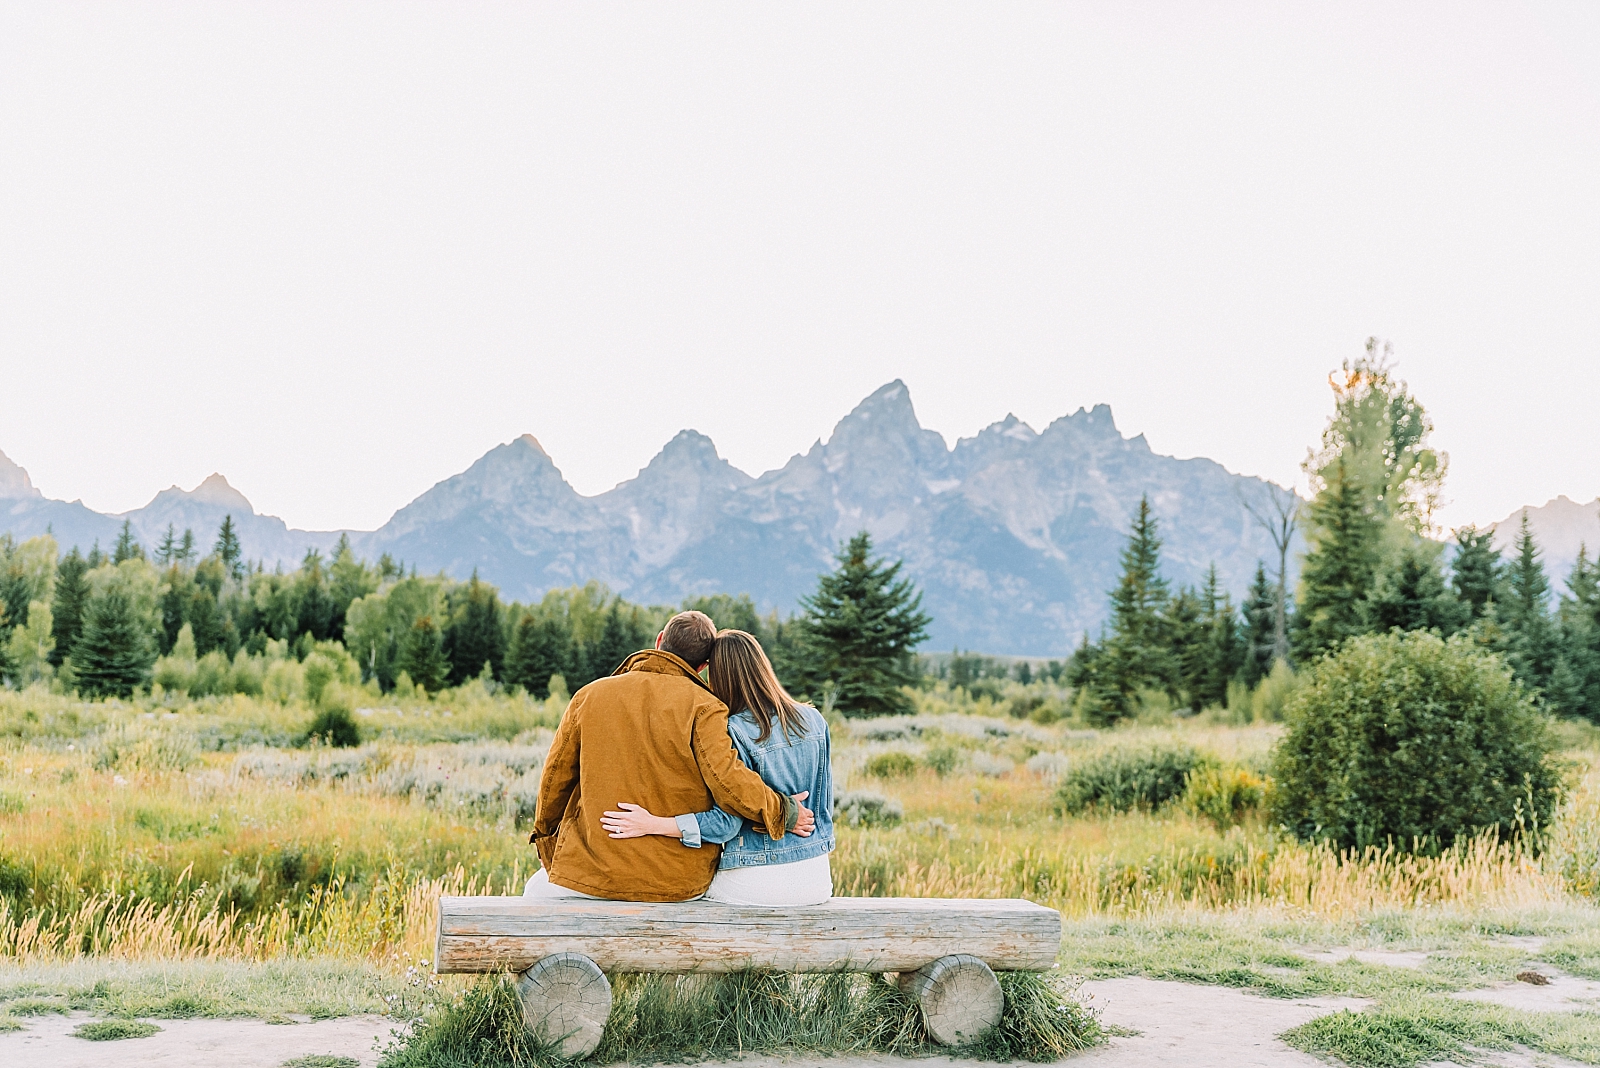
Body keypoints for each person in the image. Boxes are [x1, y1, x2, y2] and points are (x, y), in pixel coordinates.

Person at [526, 611, 814, 902]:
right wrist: (783, 812)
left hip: (588, 874)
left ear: (660, 640)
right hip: (677, 883)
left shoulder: (588, 695)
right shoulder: (706, 707)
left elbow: (555, 779)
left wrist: (546, 842)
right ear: (702, 666)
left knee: (534, 894)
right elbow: (729, 782)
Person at [600, 629, 834, 906]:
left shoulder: (732, 729)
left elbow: (725, 824)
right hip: (817, 878)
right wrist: (779, 813)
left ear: (718, 675)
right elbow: (822, 809)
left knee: (684, 893)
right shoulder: (814, 720)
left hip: (756, 877)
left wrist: (653, 824)